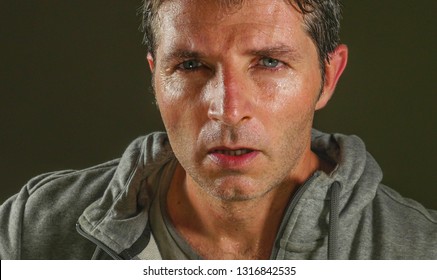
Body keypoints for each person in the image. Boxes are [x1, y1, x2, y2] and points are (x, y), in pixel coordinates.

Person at [1, 0, 436, 260]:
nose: (227, 111)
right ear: (155, 78)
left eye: (269, 62)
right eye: (190, 65)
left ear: (329, 76)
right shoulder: (34, 230)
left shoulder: (421, 251)